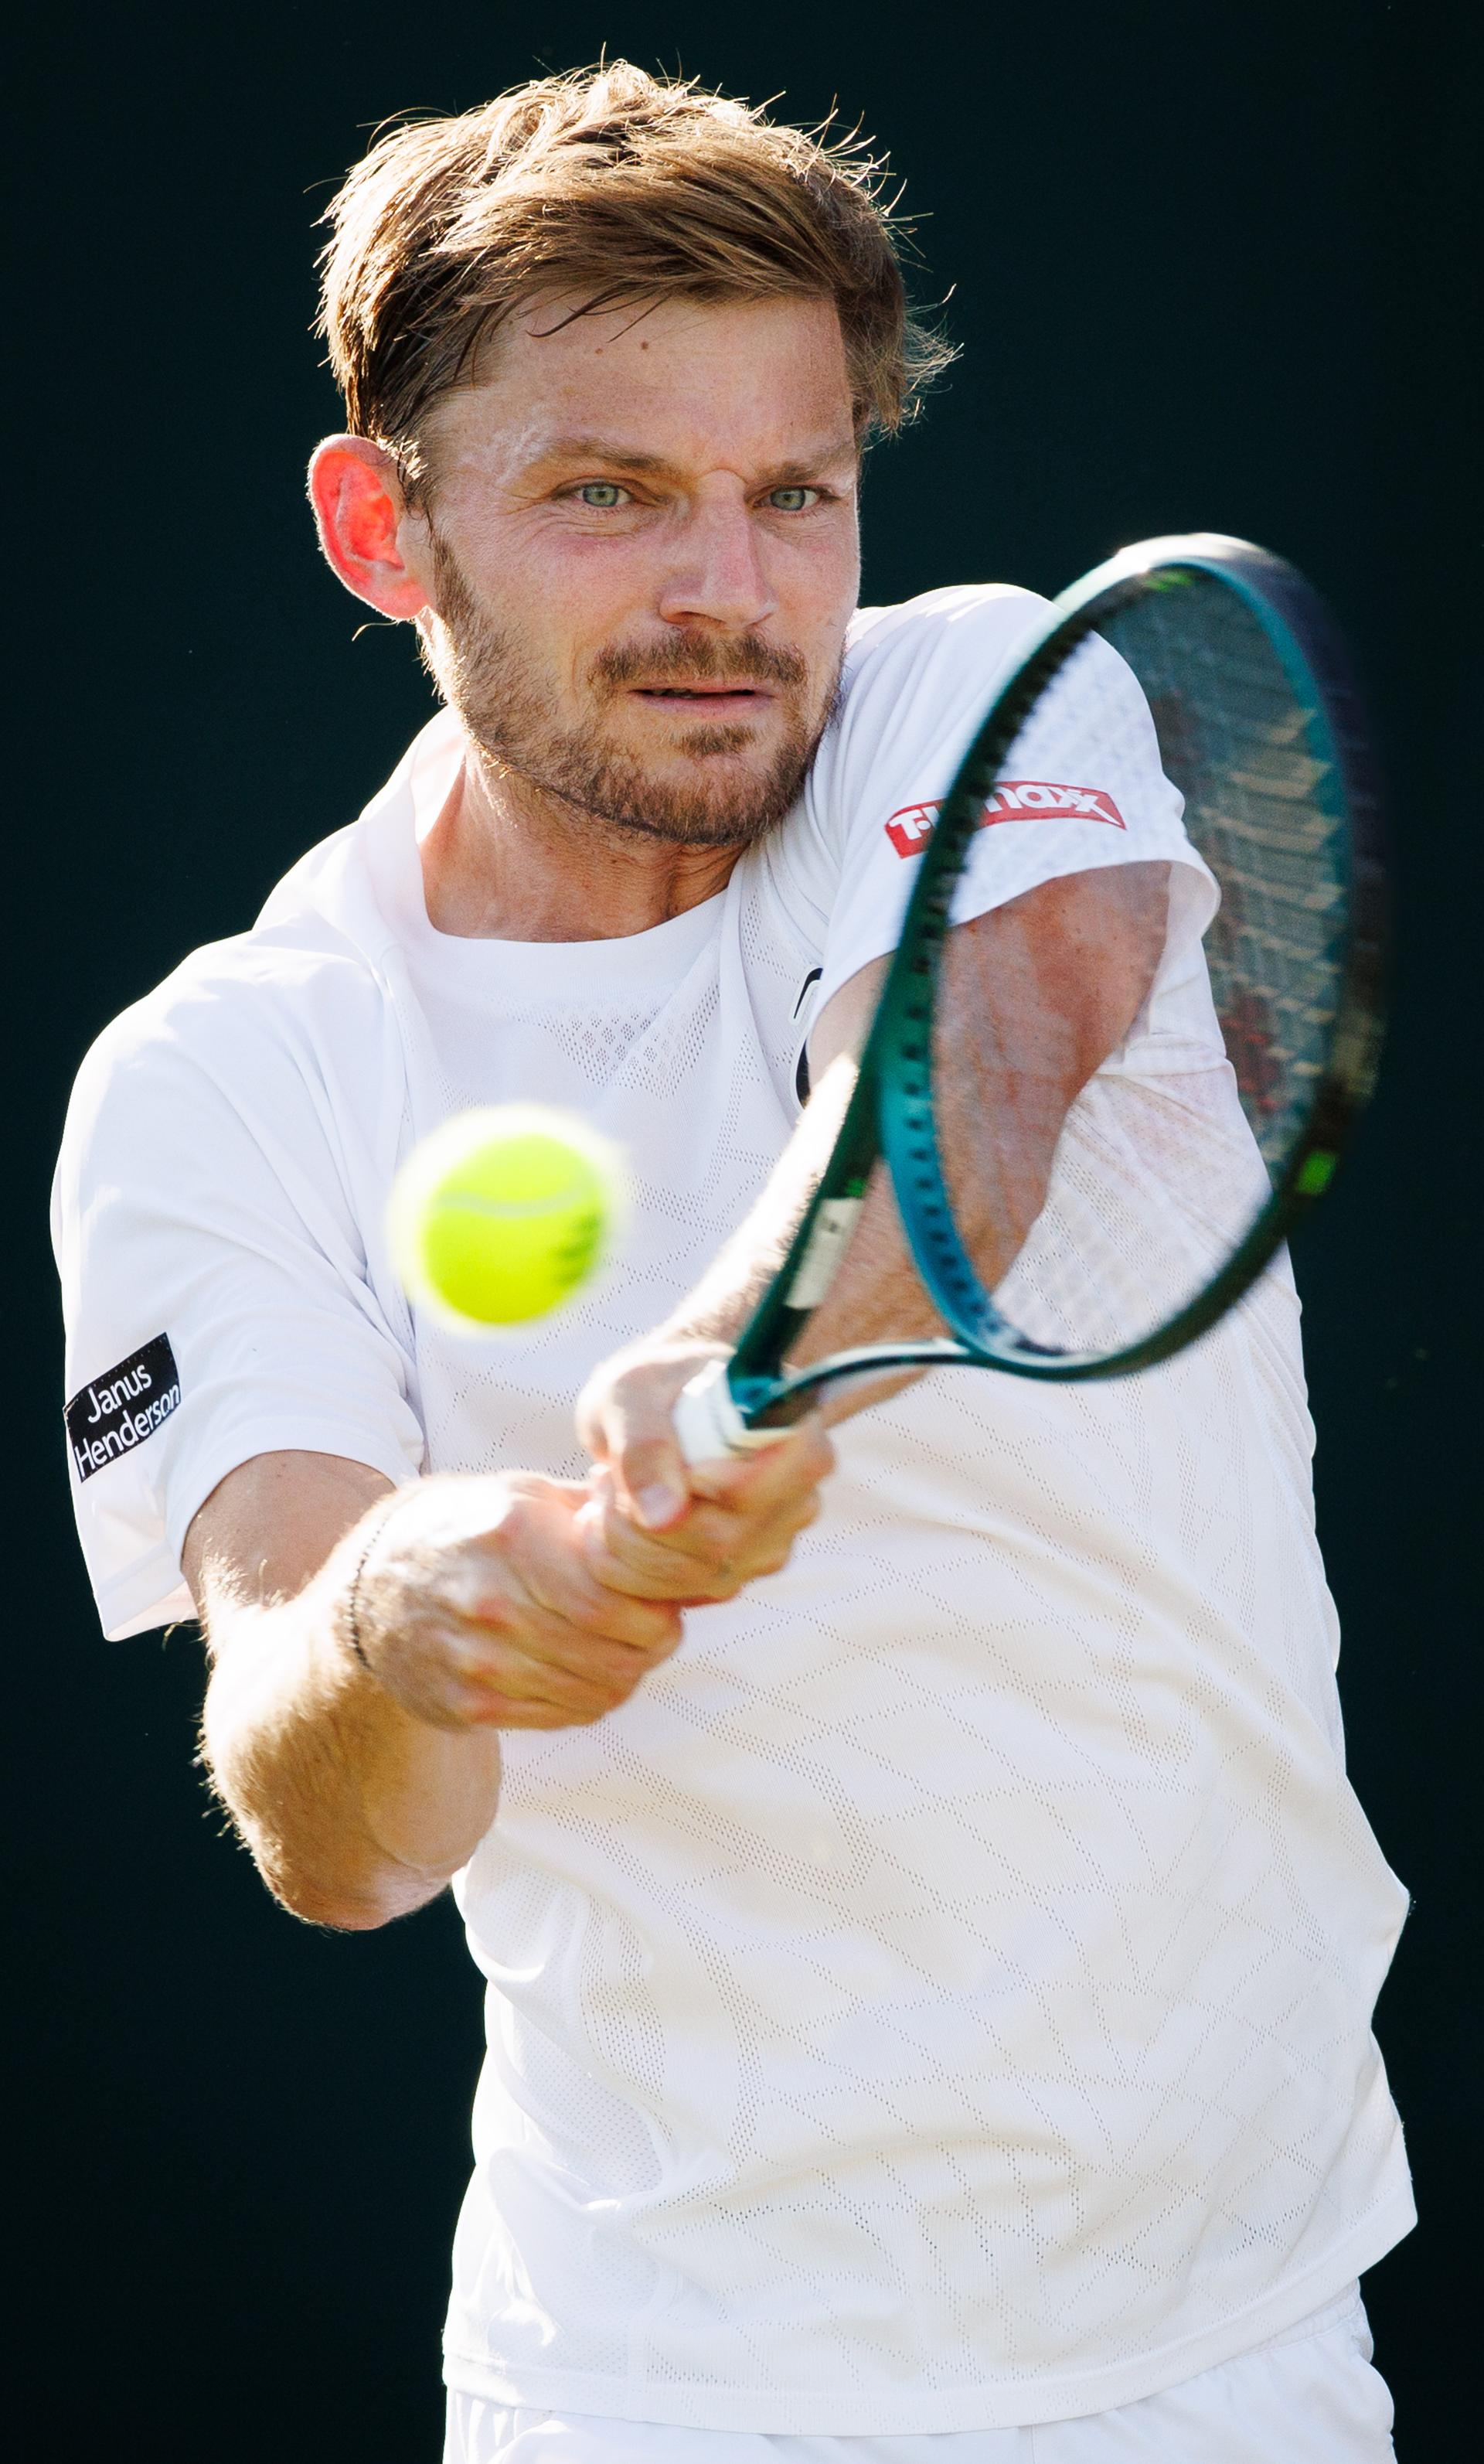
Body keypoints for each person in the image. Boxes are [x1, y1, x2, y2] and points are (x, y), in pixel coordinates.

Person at [53, 63, 1412, 2464]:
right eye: (610, 495)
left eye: (799, 494)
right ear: (385, 530)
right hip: (636, 2383)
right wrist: (401, 1621)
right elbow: (336, 1829)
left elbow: (980, 1079)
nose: (732, 592)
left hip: (1219, 2350)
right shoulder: (218, 1078)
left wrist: (725, 1360)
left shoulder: (989, 685)